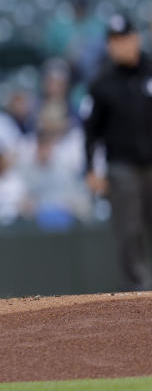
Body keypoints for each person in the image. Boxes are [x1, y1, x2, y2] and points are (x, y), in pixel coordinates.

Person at [82, 14, 152, 290]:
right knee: (130, 230)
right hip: (122, 167)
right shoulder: (102, 83)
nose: (118, 46)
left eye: (122, 39)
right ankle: (140, 291)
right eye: (113, 41)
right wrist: (90, 168)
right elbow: (89, 132)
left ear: (136, 38)